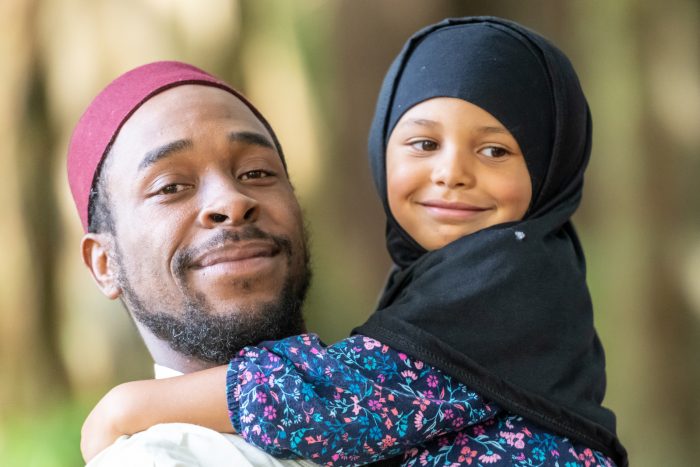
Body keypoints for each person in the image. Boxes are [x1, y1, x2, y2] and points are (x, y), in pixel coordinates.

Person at [81, 17, 629, 467]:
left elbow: (344, 398)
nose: (451, 173)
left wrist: (131, 406)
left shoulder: (510, 275)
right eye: (171, 186)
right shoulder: (163, 456)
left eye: (256, 173)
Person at [68, 61, 316, 466]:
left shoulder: (417, 390)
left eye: (256, 172)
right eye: (171, 187)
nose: (232, 202)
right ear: (104, 263)